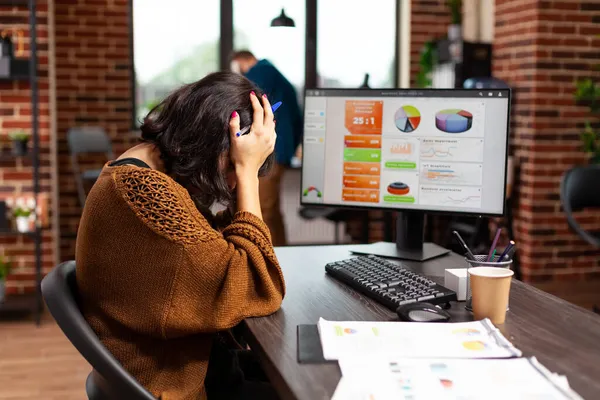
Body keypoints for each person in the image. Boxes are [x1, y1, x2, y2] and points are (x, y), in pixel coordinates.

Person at [75, 71, 285, 400]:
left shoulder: (143, 168)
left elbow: (212, 244)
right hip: (174, 387)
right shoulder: (146, 195)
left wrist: (240, 168)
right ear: (217, 141)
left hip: (190, 369)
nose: (231, 182)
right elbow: (258, 284)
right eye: (234, 164)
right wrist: (248, 175)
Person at [230, 50, 303, 246]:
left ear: (243, 61)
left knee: (263, 207)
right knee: (272, 207)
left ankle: (268, 257)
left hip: (270, 151)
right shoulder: (275, 75)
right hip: (282, 150)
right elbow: (297, 119)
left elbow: (243, 101)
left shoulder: (260, 73)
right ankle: (280, 251)